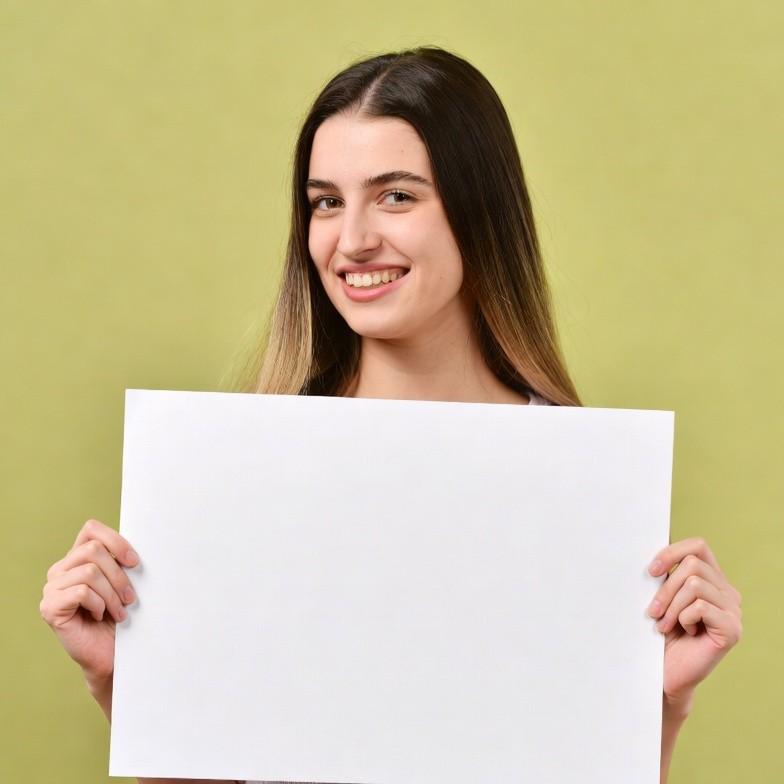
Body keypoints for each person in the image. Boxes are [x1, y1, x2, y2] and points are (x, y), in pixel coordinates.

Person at [40, 47, 742, 784]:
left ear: (480, 211)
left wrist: (663, 704)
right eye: (325, 202)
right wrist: (121, 682)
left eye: (397, 196)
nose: (352, 241)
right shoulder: (236, 476)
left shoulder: (584, 493)